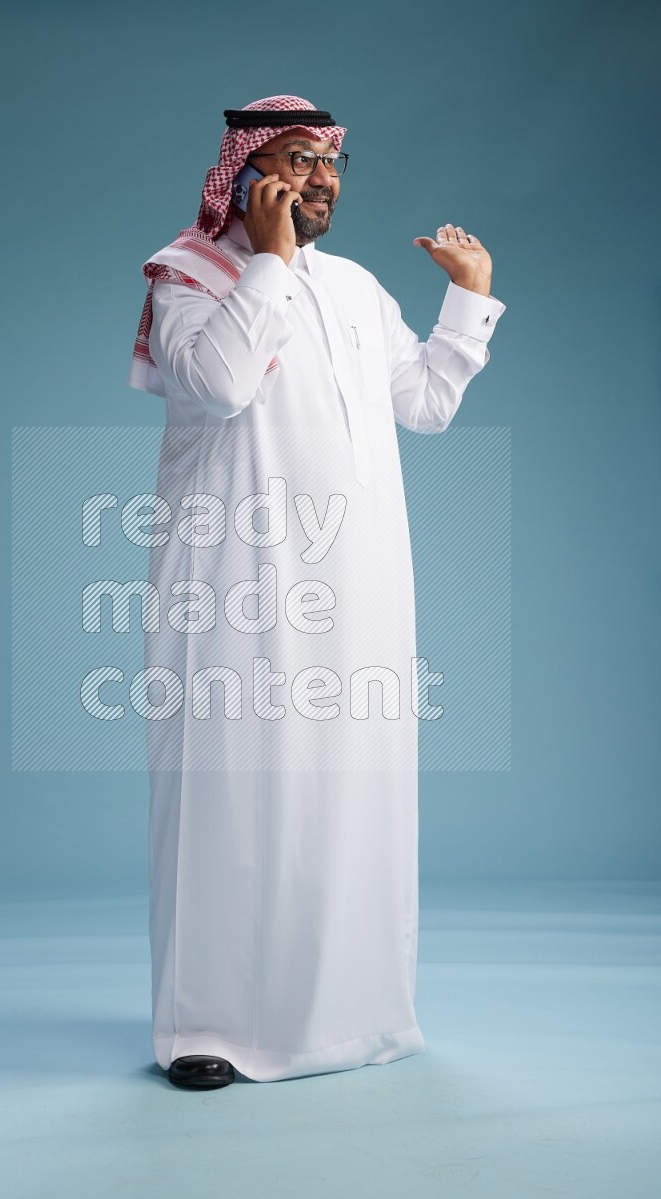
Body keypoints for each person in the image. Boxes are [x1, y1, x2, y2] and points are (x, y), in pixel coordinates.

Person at [127, 95, 506, 1090]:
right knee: (232, 797)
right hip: (238, 592)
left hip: (361, 590)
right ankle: (206, 1025)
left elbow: (420, 405)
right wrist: (266, 263)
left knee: (350, 796)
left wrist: (465, 300)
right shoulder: (190, 275)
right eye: (294, 160)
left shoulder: (355, 290)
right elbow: (213, 383)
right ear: (245, 174)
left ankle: (353, 1016)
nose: (318, 179)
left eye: (328, 162)